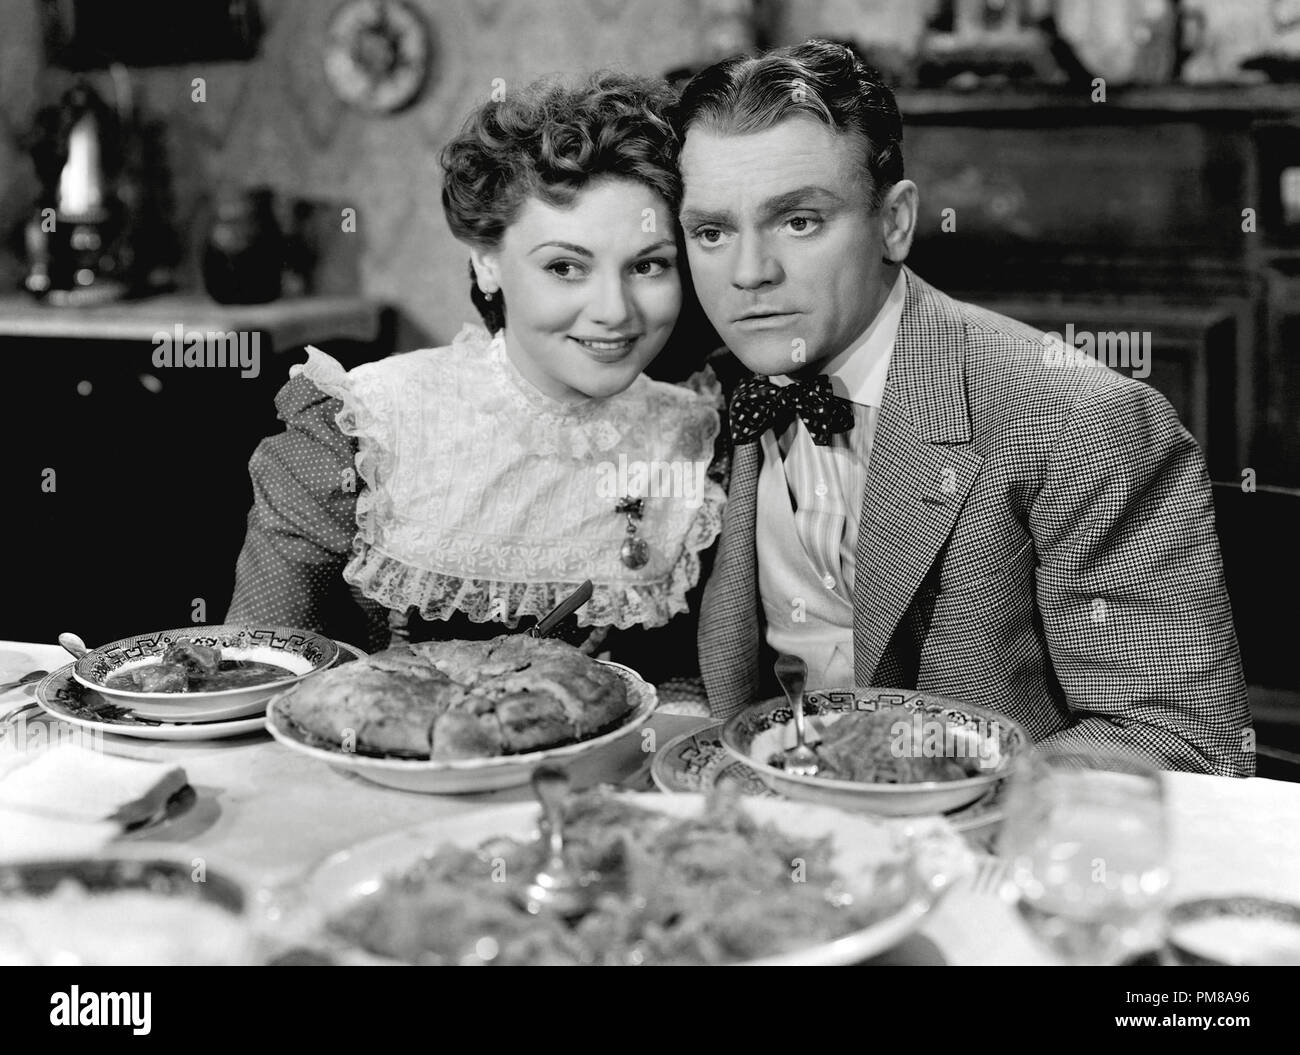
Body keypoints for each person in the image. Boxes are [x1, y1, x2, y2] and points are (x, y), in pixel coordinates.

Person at [675, 40, 1253, 775]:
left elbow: (1183, 742)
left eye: (800, 221)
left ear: (895, 223)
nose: (750, 274)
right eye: (713, 232)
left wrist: (919, 804)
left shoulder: (1084, 422)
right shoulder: (707, 398)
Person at [226, 72, 725, 683]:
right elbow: (258, 675)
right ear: (487, 263)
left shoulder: (702, 439)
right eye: (566, 267)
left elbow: (711, 695)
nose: (615, 311)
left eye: (648, 265)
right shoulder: (358, 430)